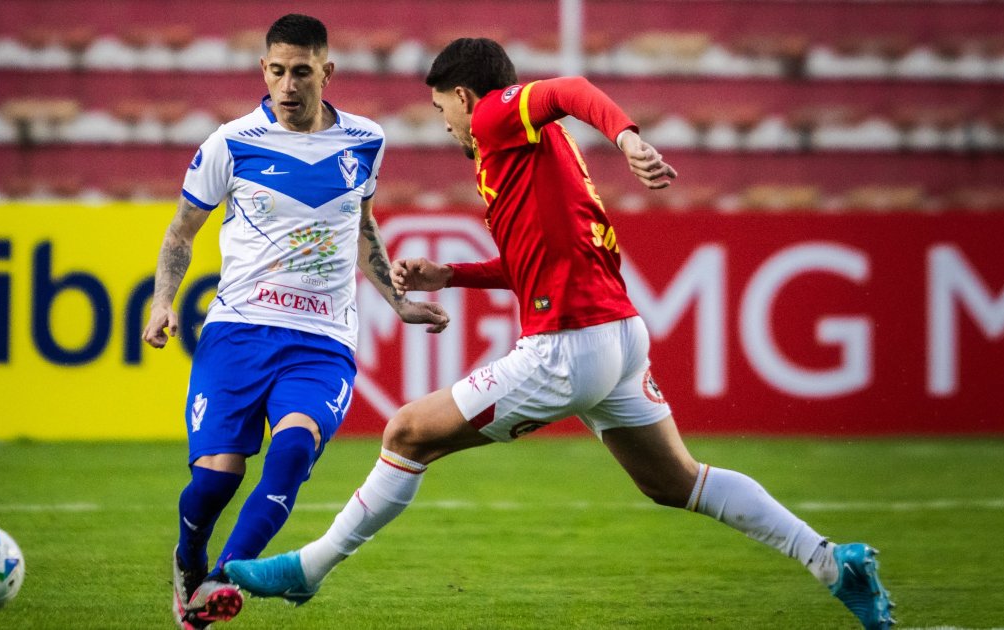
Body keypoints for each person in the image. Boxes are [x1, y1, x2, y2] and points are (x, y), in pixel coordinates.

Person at [223, 37, 896, 630]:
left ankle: (309, 570)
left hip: (568, 346)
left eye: (441, 109)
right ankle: (832, 562)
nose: (446, 124)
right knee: (676, 481)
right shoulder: (535, 150)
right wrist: (451, 274)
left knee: (405, 433)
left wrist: (627, 138)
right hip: (619, 337)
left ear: (464, 96)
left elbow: (570, 88)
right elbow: (533, 261)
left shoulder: (497, 116)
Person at [141, 14, 449, 629]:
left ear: (326, 72)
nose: (288, 85)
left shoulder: (365, 141)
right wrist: (162, 302)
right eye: (278, 71)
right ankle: (189, 557)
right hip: (237, 332)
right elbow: (181, 232)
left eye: (302, 72)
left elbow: (361, 227)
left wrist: (397, 302)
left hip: (321, 340)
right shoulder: (230, 143)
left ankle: (220, 582)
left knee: (291, 451)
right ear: (263, 70)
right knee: (215, 482)